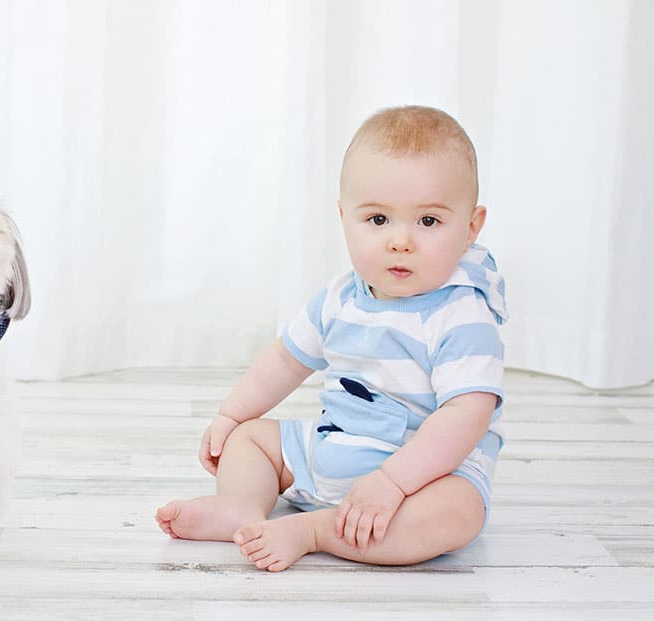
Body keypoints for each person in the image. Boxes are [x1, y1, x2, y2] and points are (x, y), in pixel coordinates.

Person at [155, 105, 508, 570]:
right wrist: (231, 414)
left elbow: (467, 415)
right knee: (250, 439)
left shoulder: (462, 314)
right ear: (344, 217)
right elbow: (284, 360)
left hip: (419, 476)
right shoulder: (342, 297)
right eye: (378, 220)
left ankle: (317, 531)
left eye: (428, 222)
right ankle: (240, 506)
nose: (400, 241)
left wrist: (394, 482)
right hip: (333, 444)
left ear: (471, 227)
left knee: (457, 513)